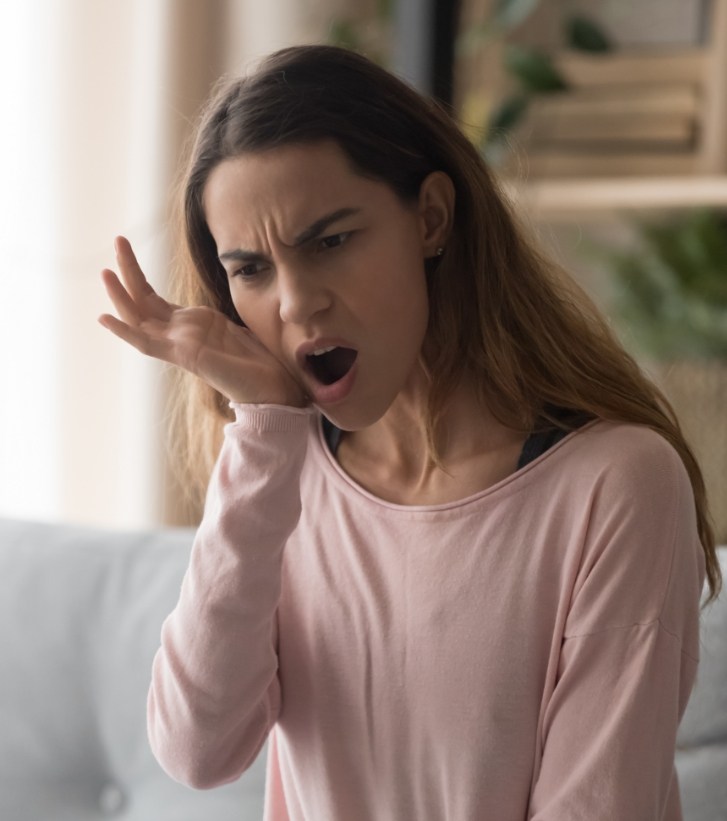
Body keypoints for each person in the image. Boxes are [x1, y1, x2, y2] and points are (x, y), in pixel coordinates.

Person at [99, 44, 721, 820]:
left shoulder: (615, 483)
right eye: (251, 269)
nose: (296, 304)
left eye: (329, 241)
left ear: (429, 217)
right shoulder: (281, 476)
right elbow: (197, 749)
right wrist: (263, 435)